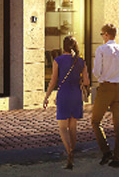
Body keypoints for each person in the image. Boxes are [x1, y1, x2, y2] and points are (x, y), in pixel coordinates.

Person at [89, 22, 119, 168]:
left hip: (106, 87)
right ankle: (117, 157)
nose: (102, 37)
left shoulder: (102, 49)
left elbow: (96, 72)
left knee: (96, 121)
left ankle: (106, 150)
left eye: (102, 34)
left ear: (107, 35)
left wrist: (104, 76)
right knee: (118, 124)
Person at [42, 34, 89, 169]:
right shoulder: (81, 61)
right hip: (76, 94)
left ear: (63, 47)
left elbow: (53, 81)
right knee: (73, 127)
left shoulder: (58, 60)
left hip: (64, 94)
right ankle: (72, 149)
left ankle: (69, 152)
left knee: (63, 127)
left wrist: (47, 97)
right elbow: (86, 81)